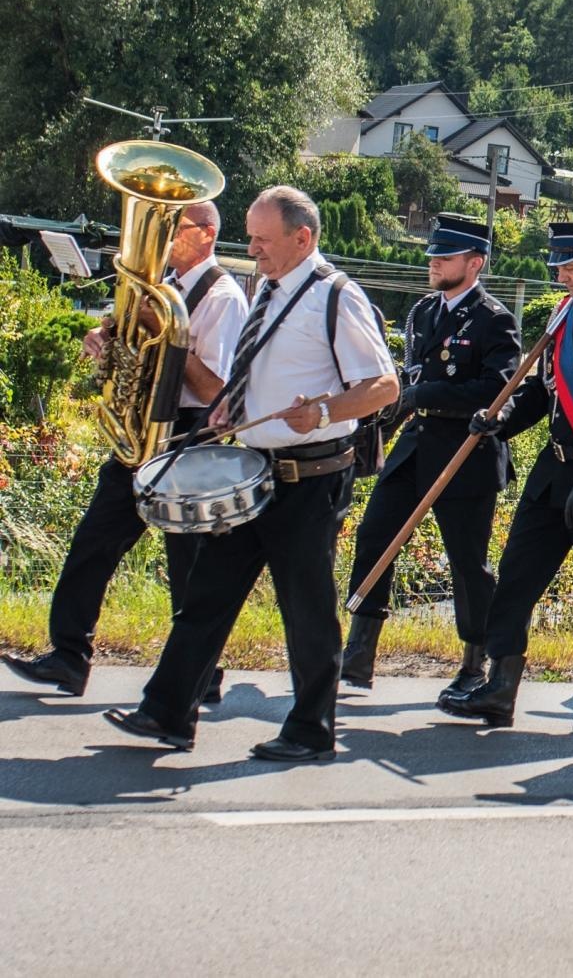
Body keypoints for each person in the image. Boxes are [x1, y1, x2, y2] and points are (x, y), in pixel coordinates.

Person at [103, 186, 398, 761]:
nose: (252, 247)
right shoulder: (268, 289)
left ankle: (313, 731)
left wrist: (322, 411)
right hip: (258, 470)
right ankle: (167, 713)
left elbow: (384, 386)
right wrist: (231, 407)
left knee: (306, 609)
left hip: (311, 479)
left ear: (302, 238)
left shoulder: (337, 297)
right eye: (251, 235)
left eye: (262, 238)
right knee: (207, 595)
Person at [3, 202, 246, 701]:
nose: (162, 240)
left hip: (188, 434)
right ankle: (69, 657)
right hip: (141, 430)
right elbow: (133, 347)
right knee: (93, 543)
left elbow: (215, 389)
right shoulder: (162, 286)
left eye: (173, 229)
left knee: (189, 564)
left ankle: (202, 675)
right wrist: (105, 338)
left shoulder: (222, 295)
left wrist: (167, 333)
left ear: (206, 234)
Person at [438, 222, 573, 735]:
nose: (560, 273)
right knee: (515, 578)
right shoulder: (563, 316)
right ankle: (500, 687)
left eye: (570, 264)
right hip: (553, 473)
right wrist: (501, 421)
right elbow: (544, 393)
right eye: (556, 263)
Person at [339, 215, 520, 697]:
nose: (434, 263)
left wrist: (429, 394)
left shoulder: (493, 318)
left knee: (466, 562)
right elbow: (410, 378)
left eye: (445, 257)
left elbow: (499, 388)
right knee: (375, 533)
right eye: (433, 256)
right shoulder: (423, 311)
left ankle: (474, 660)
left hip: (465, 453)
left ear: (474, 263)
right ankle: (359, 652)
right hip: (416, 445)